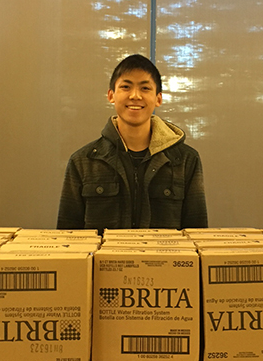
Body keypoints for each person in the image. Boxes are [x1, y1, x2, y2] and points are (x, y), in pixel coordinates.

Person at [57, 54, 208, 232]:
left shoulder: (185, 160)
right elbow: (67, 238)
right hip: (105, 260)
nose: (135, 96)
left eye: (145, 88)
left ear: (158, 98)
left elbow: (197, 236)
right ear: (111, 95)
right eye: (126, 87)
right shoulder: (83, 161)